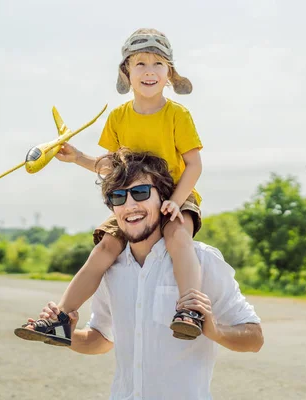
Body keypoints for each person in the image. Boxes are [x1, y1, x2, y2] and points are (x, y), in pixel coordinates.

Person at [25, 149, 264, 400]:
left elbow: (254, 338)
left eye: (140, 193)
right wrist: (66, 336)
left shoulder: (202, 261)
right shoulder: (109, 269)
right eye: (118, 197)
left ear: (165, 199)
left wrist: (214, 331)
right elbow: (102, 338)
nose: (129, 206)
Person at [52, 28, 206, 339]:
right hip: (132, 198)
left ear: (169, 72)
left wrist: (175, 201)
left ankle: (190, 310)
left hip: (175, 194)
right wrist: (77, 156)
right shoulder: (118, 117)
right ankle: (60, 319)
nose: (149, 72)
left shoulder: (178, 115)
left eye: (158, 64)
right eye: (140, 64)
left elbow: (194, 165)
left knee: (177, 236)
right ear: (126, 71)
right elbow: (112, 167)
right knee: (105, 246)